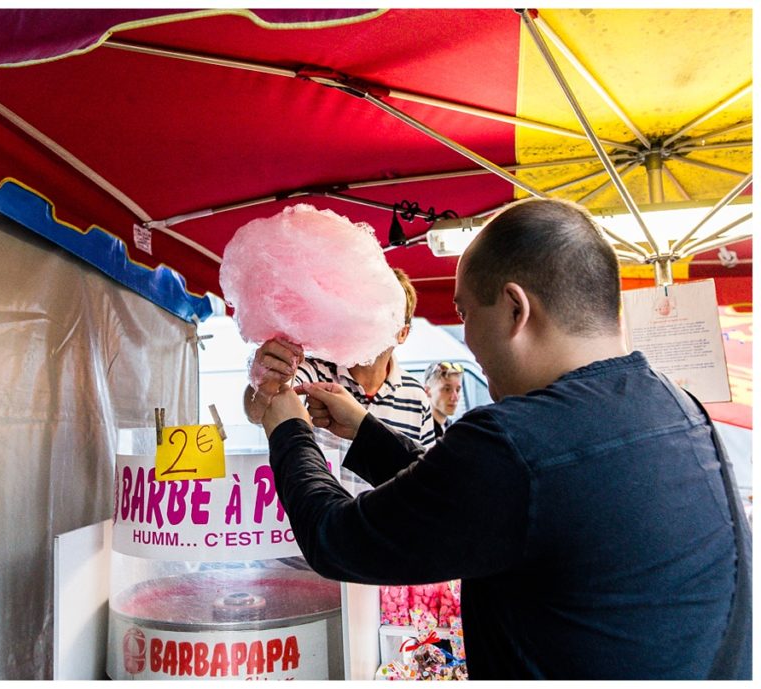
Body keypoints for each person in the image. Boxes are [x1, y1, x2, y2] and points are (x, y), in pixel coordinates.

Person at [260, 198, 751, 679]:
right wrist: (366, 432)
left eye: (467, 312)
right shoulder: (679, 408)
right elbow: (485, 497)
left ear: (516, 309)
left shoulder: (514, 440)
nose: (467, 338)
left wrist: (288, 428)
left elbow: (336, 538)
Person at [243, 267, 435, 449]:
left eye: (386, 314)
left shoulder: (416, 397)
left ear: (403, 333)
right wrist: (264, 384)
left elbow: (426, 472)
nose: (371, 320)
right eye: (367, 308)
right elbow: (258, 413)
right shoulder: (313, 370)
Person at [423, 361, 464, 438]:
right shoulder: (422, 432)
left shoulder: (452, 428)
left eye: (458, 390)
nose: (455, 397)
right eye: (447, 389)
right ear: (427, 391)